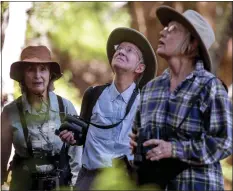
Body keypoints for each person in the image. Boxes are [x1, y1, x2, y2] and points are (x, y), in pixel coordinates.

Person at [130, 5, 232, 191]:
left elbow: (225, 142)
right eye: (165, 28)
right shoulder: (150, 89)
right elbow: (136, 133)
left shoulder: (210, 87)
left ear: (192, 44)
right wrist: (135, 144)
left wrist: (173, 149)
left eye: (173, 29)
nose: (162, 32)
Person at [59, 27, 157, 190]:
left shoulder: (145, 104)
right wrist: (72, 136)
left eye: (130, 50)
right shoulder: (93, 95)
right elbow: (82, 133)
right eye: (119, 48)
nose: (121, 51)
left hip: (124, 181)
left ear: (139, 68)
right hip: (88, 180)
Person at [1, 45, 82, 191]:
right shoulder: (9, 112)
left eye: (43, 69)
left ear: (50, 74)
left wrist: (76, 186)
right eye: (31, 69)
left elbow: (77, 156)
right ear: (22, 76)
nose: (37, 75)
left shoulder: (65, 107)